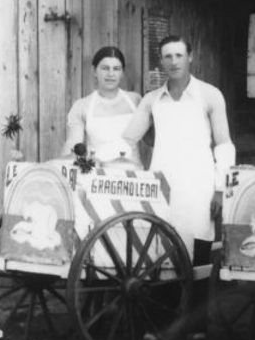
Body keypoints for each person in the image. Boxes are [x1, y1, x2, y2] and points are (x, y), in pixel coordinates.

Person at [122, 36, 234, 265]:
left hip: (199, 186)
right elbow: (128, 140)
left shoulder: (210, 95)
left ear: (190, 57)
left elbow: (224, 144)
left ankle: (197, 298)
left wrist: (221, 189)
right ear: (161, 62)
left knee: (199, 248)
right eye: (167, 57)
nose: (174, 62)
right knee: (161, 249)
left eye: (179, 55)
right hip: (163, 185)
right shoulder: (151, 100)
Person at [61, 46, 142, 164]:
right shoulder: (82, 106)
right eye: (105, 68)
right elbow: (73, 147)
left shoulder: (136, 101)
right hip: (98, 177)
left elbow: (153, 138)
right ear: (94, 71)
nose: (111, 74)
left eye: (116, 69)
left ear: (122, 72)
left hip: (134, 175)